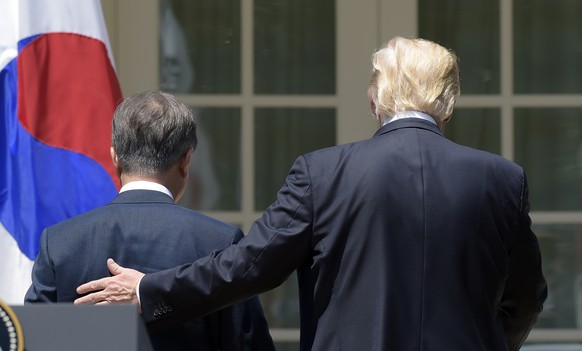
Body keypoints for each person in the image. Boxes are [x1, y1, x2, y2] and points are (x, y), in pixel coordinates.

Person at [75, 37, 547, 350]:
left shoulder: (323, 173)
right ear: (449, 102)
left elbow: (249, 268)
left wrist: (148, 289)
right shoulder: (503, 179)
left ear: (374, 99)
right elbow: (527, 296)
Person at [25, 91, 274, 351]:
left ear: (115, 158)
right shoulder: (220, 242)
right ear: (186, 161)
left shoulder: (60, 242)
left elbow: (29, 341)